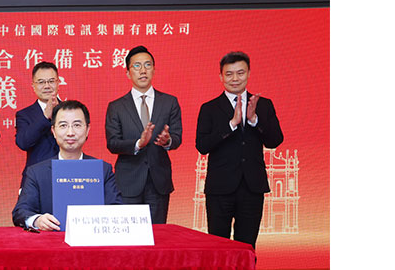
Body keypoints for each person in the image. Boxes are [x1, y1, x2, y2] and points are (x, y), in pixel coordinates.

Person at [196, 51, 284, 249]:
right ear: (221, 76)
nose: (235, 78)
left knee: (247, 246)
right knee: (218, 247)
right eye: (229, 74)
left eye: (240, 73)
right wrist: (231, 124)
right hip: (220, 189)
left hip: (252, 187)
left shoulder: (263, 105)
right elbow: (202, 145)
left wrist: (254, 120)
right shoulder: (209, 108)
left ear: (249, 73)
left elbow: (275, 140)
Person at [13, 100, 123, 231]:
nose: (70, 132)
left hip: (91, 240)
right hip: (51, 241)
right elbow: (21, 211)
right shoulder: (37, 172)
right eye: (63, 125)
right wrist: (37, 220)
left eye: (77, 125)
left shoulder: (103, 170)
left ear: (87, 130)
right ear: (53, 131)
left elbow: (116, 209)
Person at [104, 45, 182, 224]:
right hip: (128, 182)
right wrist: (138, 143)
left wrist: (167, 141)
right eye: (137, 66)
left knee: (157, 235)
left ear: (154, 69)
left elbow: (177, 137)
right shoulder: (116, 107)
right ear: (128, 73)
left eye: (147, 65)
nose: (143, 70)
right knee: (129, 236)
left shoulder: (169, 102)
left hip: (158, 182)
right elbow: (112, 143)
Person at [15, 61, 60, 187]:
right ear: (33, 85)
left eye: (51, 81)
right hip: (36, 179)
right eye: (41, 82)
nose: (47, 86)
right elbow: (23, 142)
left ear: (58, 83)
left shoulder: (70, 110)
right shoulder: (24, 114)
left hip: (67, 174)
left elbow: (81, 137)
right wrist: (45, 117)